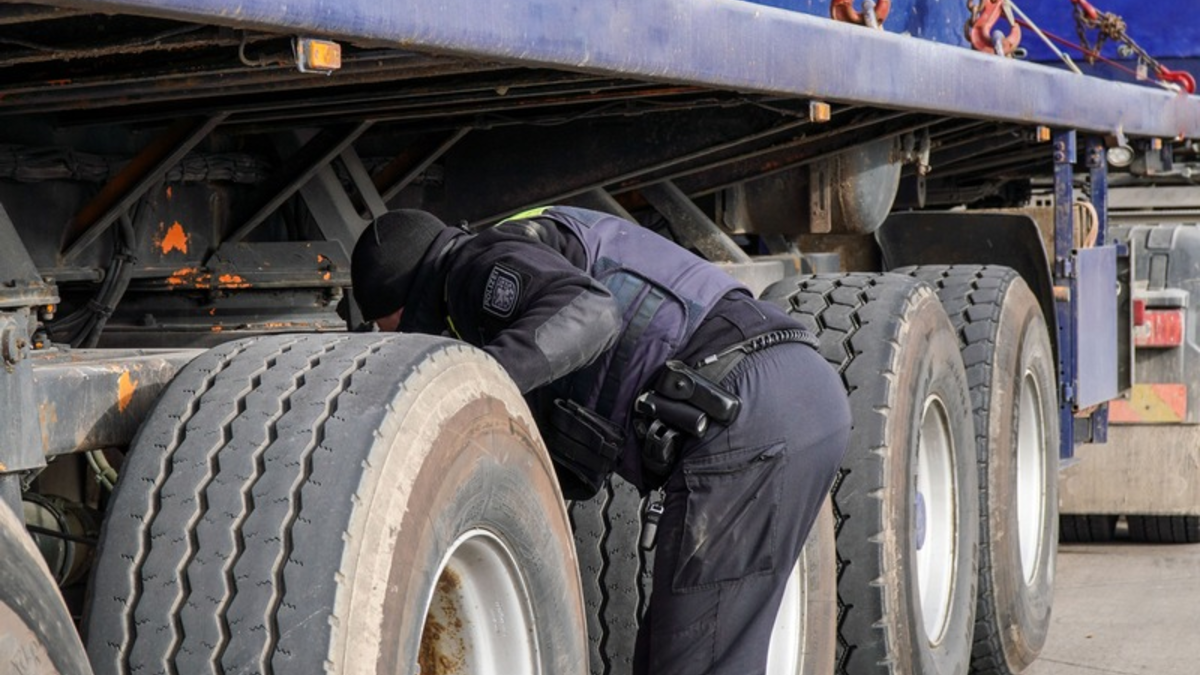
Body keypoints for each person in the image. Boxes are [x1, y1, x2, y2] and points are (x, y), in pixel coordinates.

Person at [350, 206, 850, 675]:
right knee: (680, 652)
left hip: (745, 409)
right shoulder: (531, 246)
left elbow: (590, 313)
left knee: (694, 659)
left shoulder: (474, 266)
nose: (384, 334)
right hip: (785, 395)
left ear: (399, 298)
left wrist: (471, 385)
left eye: (380, 323)